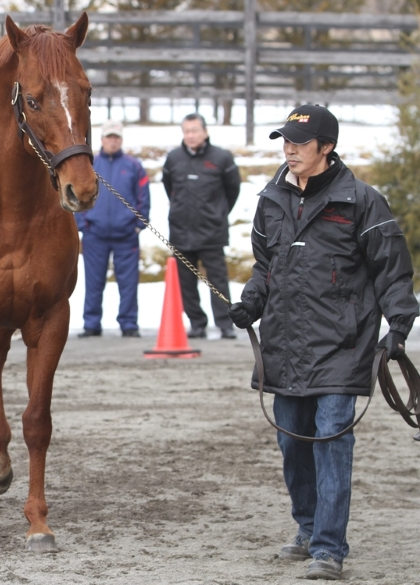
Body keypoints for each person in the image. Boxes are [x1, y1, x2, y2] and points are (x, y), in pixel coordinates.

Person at [227, 104, 418, 580]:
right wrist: (251, 303)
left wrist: (398, 326)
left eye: (300, 142)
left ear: (327, 148)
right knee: (293, 444)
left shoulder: (363, 201)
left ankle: (330, 548)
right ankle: (308, 529)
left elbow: (392, 271)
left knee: (331, 442)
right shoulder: (270, 200)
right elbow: (266, 266)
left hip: (344, 345)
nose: (289, 149)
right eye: (285, 141)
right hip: (285, 347)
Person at [162, 113, 241, 339]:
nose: (191, 135)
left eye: (195, 130)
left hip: (212, 232)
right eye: (187, 131)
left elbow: (232, 190)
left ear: (205, 132)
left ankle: (225, 323)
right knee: (186, 283)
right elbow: (168, 188)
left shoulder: (222, 158)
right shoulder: (174, 158)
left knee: (218, 281)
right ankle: (197, 323)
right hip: (181, 231)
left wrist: (218, 213)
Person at [75, 119, 150, 338]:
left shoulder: (133, 166)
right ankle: (91, 323)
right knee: (93, 281)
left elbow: (143, 197)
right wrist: (83, 224)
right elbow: (79, 195)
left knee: (128, 283)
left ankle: (128, 323)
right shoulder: (91, 165)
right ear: (102, 139)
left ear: (121, 140)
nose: (112, 141)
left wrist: (139, 225)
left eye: (116, 137)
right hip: (95, 235)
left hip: (126, 235)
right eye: (109, 137)